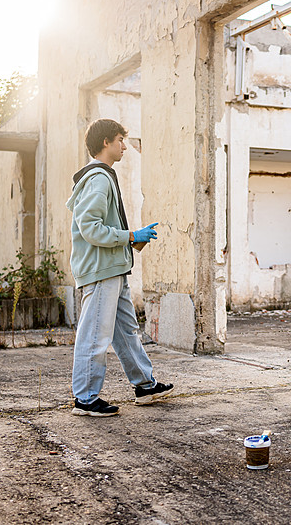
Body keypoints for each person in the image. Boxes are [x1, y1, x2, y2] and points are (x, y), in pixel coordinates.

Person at [65, 118, 173, 417]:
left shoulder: (105, 177)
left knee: (126, 331)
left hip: (113, 268)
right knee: (94, 335)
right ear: (106, 143)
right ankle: (85, 399)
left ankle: (145, 385)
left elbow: (99, 226)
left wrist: (134, 238)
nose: (124, 146)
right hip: (101, 271)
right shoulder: (99, 178)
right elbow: (90, 227)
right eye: (120, 140)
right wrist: (129, 236)